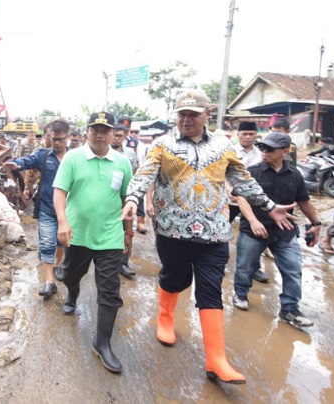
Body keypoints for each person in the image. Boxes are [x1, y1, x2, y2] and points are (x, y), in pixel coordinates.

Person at [122, 90, 296, 385]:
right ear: (175, 116)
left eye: (193, 113)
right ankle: (165, 317)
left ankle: (216, 359)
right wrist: (132, 199)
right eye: (181, 114)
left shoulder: (222, 144)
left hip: (214, 232)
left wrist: (269, 206)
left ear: (207, 115)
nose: (186, 119)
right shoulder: (162, 145)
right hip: (173, 230)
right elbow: (144, 174)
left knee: (210, 289)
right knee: (174, 278)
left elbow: (243, 180)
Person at [54, 111, 133, 373]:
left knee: (109, 289)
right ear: (87, 132)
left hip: (109, 235)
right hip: (77, 235)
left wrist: (127, 233)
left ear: (114, 134)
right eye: (95, 129)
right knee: (70, 274)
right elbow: (60, 192)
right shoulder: (73, 158)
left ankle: (102, 343)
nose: (100, 134)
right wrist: (63, 223)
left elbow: (126, 200)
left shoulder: (122, 163)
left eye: (105, 130)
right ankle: (72, 292)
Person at [232, 132, 321, 329]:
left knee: (293, 268)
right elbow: (241, 197)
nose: (264, 151)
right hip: (255, 230)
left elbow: (303, 201)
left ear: (285, 151)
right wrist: (254, 221)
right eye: (263, 147)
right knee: (245, 266)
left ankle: (289, 308)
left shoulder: (295, 175)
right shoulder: (253, 172)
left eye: (270, 149)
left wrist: (316, 222)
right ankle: (240, 294)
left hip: (284, 231)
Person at [3, 119, 70, 298]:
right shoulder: (43, 155)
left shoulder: (75, 158)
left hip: (69, 211)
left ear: (67, 138)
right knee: (47, 244)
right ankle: (49, 282)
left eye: (60, 139)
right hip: (47, 208)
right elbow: (27, 161)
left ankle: (57, 266)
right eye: (53, 138)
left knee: (61, 242)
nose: (56, 143)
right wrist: (16, 164)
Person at [225, 122, 270, 283]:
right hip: (230, 200)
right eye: (245, 133)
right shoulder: (230, 151)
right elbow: (221, 171)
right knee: (221, 230)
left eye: (251, 134)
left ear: (256, 135)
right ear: (238, 134)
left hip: (252, 201)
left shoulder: (261, 154)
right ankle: (215, 261)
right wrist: (229, 189)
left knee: (254, 233)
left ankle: (255, 267)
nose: (248, 136)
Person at [111, 123, 138, 277]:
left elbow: (133, 174)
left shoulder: (129, 154)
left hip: (125, 195)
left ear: (125, 136)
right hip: (108, 197)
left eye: (119, 135)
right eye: (114, 134)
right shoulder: (101, 152)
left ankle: (123, 263)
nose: (115, 138)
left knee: (126, 227)